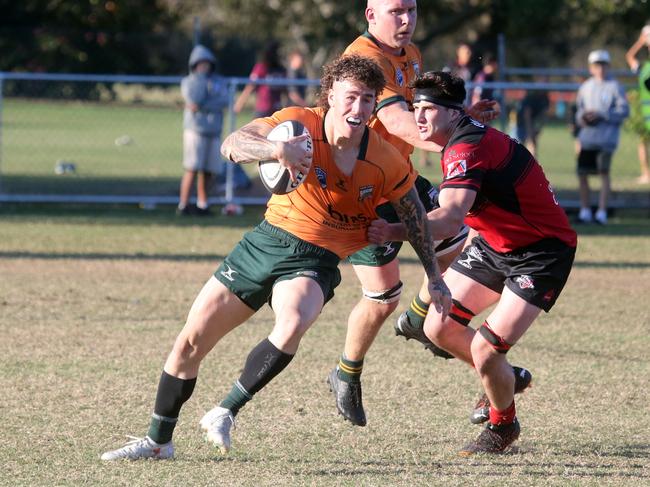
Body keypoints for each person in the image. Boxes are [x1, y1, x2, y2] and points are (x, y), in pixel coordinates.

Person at [100, 54, 451, 460]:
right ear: (331, 95)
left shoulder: (385, 160)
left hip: (315, 259)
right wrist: (274, 148)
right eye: (352, 97)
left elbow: (417, 219)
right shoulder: (298, 123)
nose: (359, 109)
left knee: (293, 323)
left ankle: (225, 410)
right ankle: (159, 441)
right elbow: (233, 145)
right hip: (264, 244)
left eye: (368, 100)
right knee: (191, 342)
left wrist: (434, 277)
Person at [367, 70, 577, 454]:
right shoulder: (459, 134)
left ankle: (503, 427)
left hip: (541, 253)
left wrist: (391, 230)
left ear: (452, 113)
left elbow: (448, 219)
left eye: (428, 109)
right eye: (416, 108)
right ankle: (504, 379)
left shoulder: (466, 148)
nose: (419, 118)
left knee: (485, 349)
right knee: (439, 327)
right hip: (496, 245)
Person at [327, 0, 500, 428]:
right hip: (364, 188)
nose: (406, 21)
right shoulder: (365, 60)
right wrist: (458, 136)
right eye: (395, 12)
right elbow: (404, 125)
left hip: (399, 177)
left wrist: (459, 116)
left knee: (460, 243)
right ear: (370, 15)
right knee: (383, 297)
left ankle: (419, 319)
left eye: (412, 10)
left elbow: (422, 116)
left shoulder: (412, 54)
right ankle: (346, 373)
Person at [575, 49, 629, 224]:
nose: (600, 69)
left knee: (603, 173)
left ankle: (602, 212)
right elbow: (579, 112)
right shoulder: (585, 87)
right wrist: (584, 118)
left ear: (608, 66)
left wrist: (602, 115)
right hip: (587, 138)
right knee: (583, 174)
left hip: (606, 140)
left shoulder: (615, 87)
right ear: (591, 68)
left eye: (603, 65)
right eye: (597, 65)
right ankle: (585, 211)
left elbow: (623, 111)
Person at [177, 44, 229, 216]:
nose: (204, 66)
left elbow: (224, 100)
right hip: (195, 131)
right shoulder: (189, 81)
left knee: (209, 171)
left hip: (214, 131)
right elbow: (194, 101)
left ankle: (203, 204)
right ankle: (183, 205)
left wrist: (204, 105)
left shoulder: (218, 81)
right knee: (192, 168)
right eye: (201, 63)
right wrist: (200, 81)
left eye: (207, 63)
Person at [625, 24, 650, 184]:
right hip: (645, 114)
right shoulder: (644, 68)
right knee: (642, 143)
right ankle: (646, 174)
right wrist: (641, 41)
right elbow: (630, 56)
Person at [516, 86, 550, 159]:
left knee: (532, 144)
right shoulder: (531, 97)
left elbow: (544, 115)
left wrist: (539, 128)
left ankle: (533, 163)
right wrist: (529, 131)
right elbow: (526, 115)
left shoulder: (545, 98)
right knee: (522, 146)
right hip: (522, 123)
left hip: (532, 123)